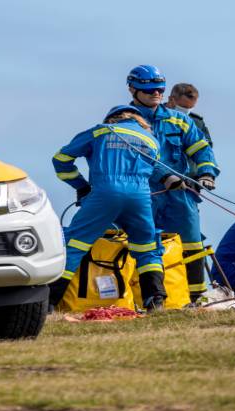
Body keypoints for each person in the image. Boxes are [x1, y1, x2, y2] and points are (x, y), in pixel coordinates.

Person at [49, 105, 167, 311]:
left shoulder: (101, 131)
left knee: (75, 244)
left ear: (112, 119)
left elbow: (61, 159)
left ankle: (48, 302)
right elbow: (155, 169)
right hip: (140, 196)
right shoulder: (151, 140)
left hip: (105, 192)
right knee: (147, 247)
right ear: (140, 121)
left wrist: (81, 186)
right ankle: (155, 301)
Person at [127, 65, 220, 303]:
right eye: (149, 90)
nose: (156, 93)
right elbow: (133, 156)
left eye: (159, 89)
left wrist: (207, 173)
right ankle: (147, 298)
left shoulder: (179, 120)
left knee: (192, 243)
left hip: (181, 194)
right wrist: (164, 177)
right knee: (144, 245)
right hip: (142, 193)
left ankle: (195, 297)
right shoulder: (125, 121)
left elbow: (202, 149)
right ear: (132, 89)